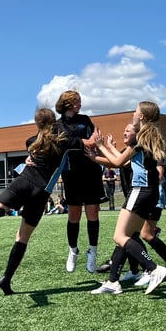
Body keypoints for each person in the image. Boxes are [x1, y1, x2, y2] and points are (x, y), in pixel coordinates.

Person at [0, 108, 72, 295]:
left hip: (23, 181)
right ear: (54, 122)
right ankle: (6, 278)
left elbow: (35, 147)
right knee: (22, 237)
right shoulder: (63, 142)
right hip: (41, 191)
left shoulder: (31, 142)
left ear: (36, 124)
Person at [89, 102, 166, 295]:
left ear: (141, 116)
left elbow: (117, 162)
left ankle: (153, 269)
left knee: (120, 236)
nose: (133, 114)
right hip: (149, 193)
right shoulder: (151, 137)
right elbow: (121, 160)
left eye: (136, 111)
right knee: (127, 236)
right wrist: (102, 148)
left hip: (140, 191)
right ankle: (113, 282)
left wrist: (100, 148)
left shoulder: (141, 138)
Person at [55, 90, 106, 274]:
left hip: (91, 171)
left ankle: (92, 251)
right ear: (67, 103)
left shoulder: (85, 119)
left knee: (93, 212)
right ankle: (73, 250)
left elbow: (95, 140)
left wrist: (80, 142)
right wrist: (85, 142)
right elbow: (62, 144)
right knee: (74, 214)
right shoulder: (57, 125)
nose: (79, 105)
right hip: (71, 174)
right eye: (76, 102)